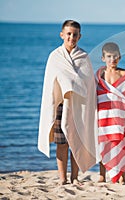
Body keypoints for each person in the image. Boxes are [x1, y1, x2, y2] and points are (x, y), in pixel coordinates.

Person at [38, 20, 98, 185]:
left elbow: (88, 84)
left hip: (79, 106)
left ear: (80, 36)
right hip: (60, 105)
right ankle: (63, 178)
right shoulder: (55, 56)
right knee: (62, 143)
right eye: (69, 34)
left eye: (75, 34)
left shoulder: (84, 57)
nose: (72, 37)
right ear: (62, 35)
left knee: (76, 142)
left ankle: (75, 177)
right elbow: (51, 84)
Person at [95, 42, 125, 184]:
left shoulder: (124, 74)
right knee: (103, 144)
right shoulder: (99, 74)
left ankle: (122, 175)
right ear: (103, 58)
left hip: (120, 114)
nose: (113, 60)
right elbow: (96, 94)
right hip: (104, 114)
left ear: (120, 57)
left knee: (121, 143)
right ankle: (102, 175)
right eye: (109, 56)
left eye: (116, 56)